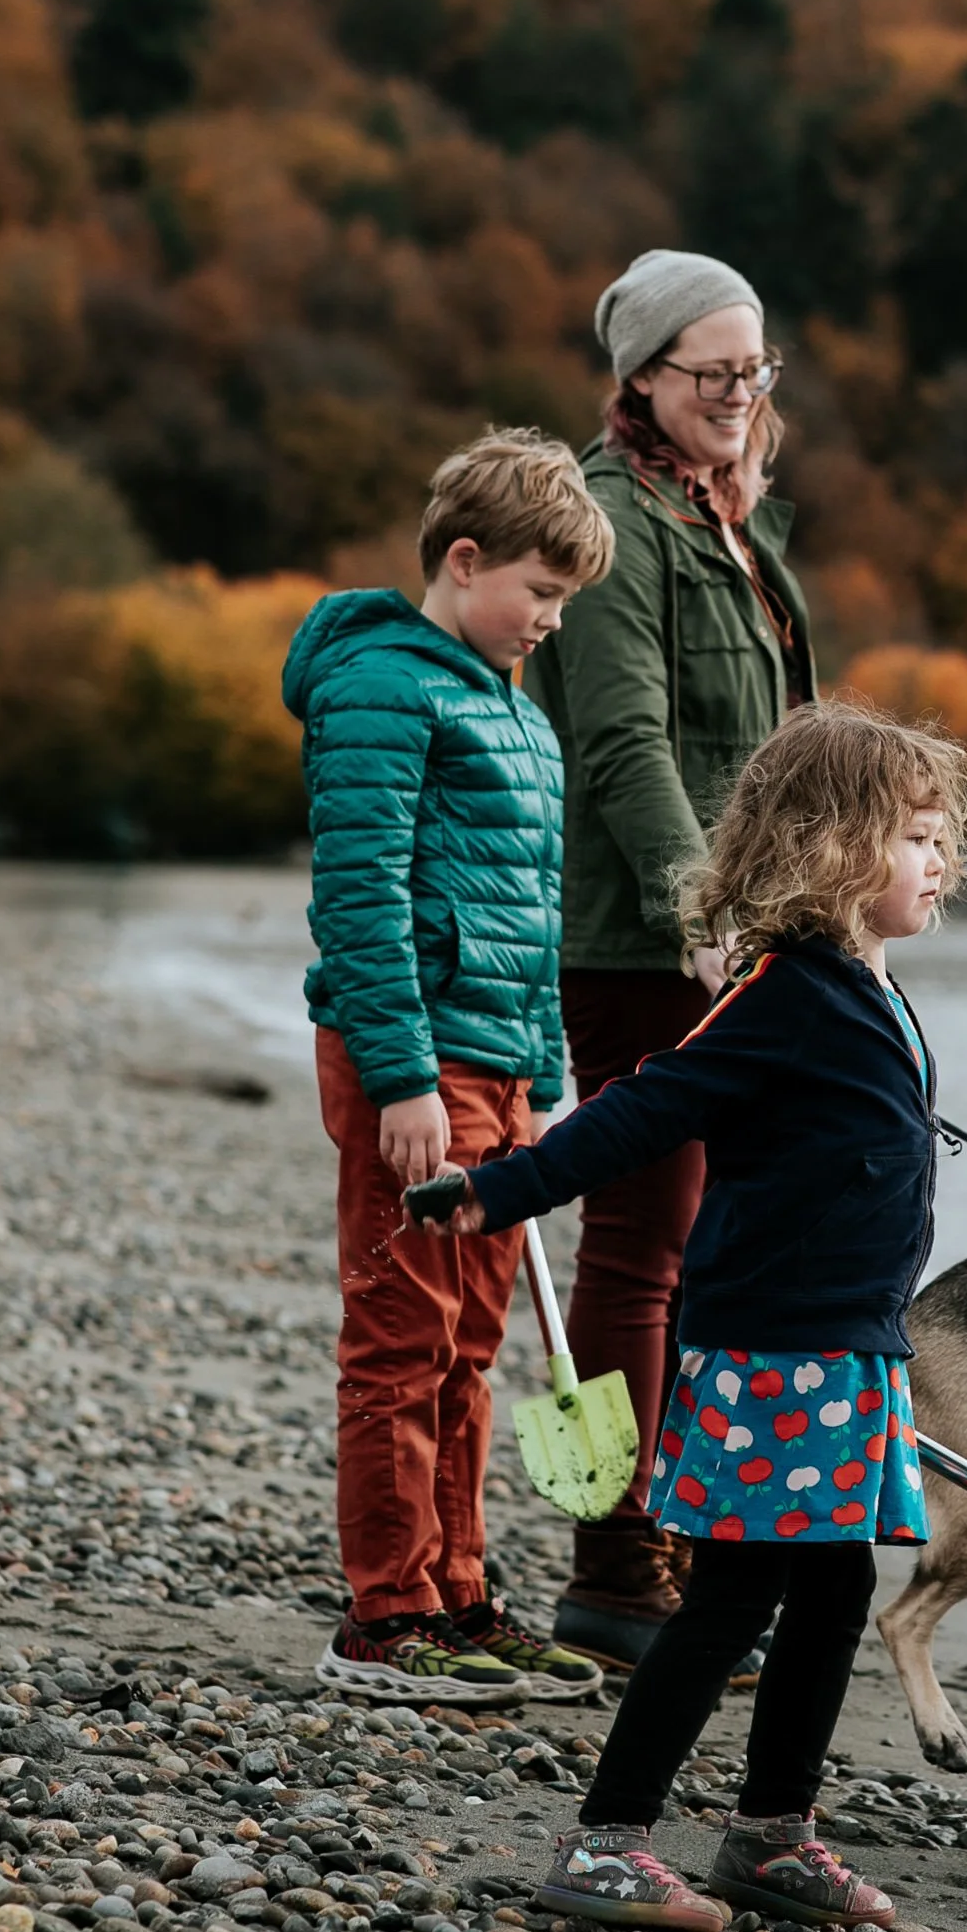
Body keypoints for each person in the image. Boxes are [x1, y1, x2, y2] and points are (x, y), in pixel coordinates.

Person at [403, 700, 967, 1932]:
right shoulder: (780, 992)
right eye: (915, 837)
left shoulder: (867, 990)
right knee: (729, 1601)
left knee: (828, 1600)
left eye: (943, 839)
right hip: (776, 1356)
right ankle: (606, 1839)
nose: (940, 862)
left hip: (850, 1349)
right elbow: (639, 1108)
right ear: (828, 846)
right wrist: (498, 1187)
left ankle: (772, 1832)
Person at [283, 428, 616, 1702]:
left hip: (499, 1071)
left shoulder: (510, 707)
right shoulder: (382, 685)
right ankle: (384, 1614)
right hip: (410, 1068)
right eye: (538, 592)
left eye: (564, 602)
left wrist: (542, 1078)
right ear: (464, 560)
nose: (547, 619)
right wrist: (405, 1076)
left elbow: (533, 916)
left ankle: (460, 1587)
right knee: (400, 1333)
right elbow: (359, 896)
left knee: (471, 1342)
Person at [525, 249, 816, 1672]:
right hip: (649, 938)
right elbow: (625, 741)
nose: (738, 394)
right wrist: (694, 903)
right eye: (711, 371)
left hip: (749, 928)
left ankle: (681, 1529)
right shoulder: (619, 521)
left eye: (753, 370)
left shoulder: (728, 518)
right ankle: (612, 1547)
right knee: (642, 1248)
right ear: (641, 376)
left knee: (706, 1247)